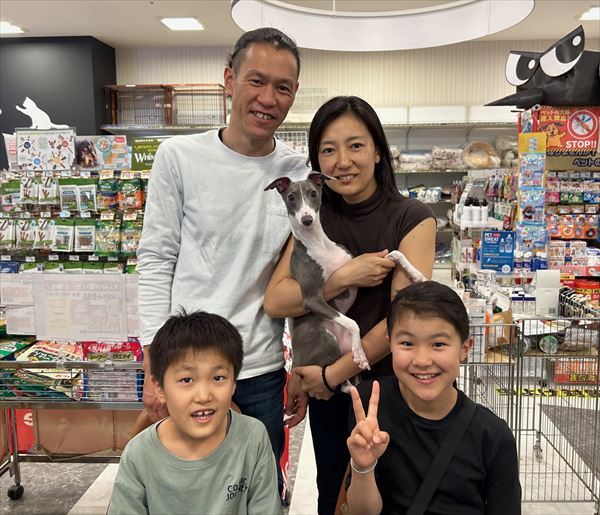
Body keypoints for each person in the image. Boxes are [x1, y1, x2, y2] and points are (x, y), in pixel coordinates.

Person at [136, 27, 310, 494]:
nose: (268, 98)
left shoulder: (299, 174)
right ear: (230, 80)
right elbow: (155, 260)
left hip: (260, 369)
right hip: (187, 366)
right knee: (184, 491)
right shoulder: (179, 157)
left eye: (283, 87)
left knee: (257, 491)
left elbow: (302, 274)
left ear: (294, 93)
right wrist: (154, 367)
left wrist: (300, 365)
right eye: (256, 80)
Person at [263, 95, 436, 513]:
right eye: (328, 150)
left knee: (396, 496)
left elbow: (405, 322)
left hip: (390, 388)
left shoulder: (412, 218)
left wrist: (330, 375)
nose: (342, 161)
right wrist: (344, 277)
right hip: (328, 394)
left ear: (377, 150)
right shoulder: (313, 218)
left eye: (355, 145)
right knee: (333, 495)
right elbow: (277, 299)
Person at [346, 281, 521, 514]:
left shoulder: (492, 437)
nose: (422, 360)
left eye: (438, 344)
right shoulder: (370, 405)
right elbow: (363, 512)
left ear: (465, 348)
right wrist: (362, 467)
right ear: (390, 344)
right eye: (407, 343)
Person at [109, 311, 282, 515]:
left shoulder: (253, 437)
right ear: (160, 388)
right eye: (187, 380)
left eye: (218, 378)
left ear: (234, 383)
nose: (203, 396)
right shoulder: (138, 454)